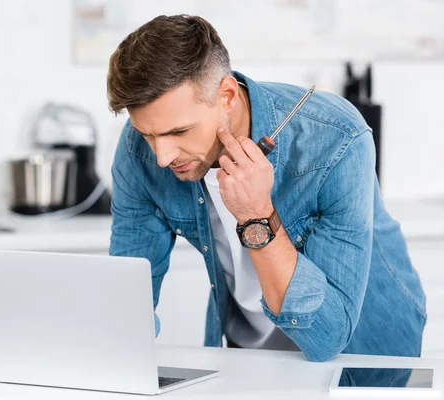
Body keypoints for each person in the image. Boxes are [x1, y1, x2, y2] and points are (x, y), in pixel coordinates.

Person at [106, 14, 426, 368]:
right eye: (149, 134)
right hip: (248, 356)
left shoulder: (336, 139)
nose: (162, 157)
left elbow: (327, 338)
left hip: (363, 351)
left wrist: (256, 215)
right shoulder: (140, 149)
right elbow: (128, 302)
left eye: (179, 132)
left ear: (226, 95)